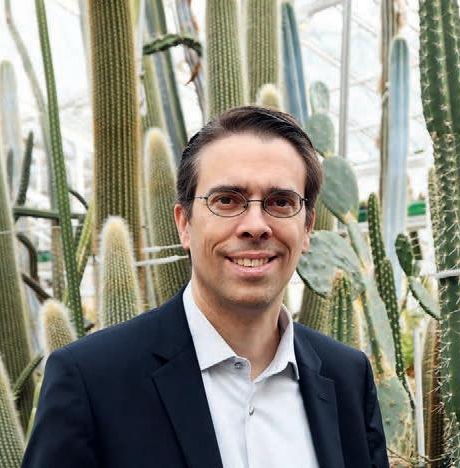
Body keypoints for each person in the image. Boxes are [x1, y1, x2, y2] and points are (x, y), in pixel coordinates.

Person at [22, 106, 388, 468]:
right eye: (227, 200)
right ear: (184, 223)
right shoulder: (92, 381)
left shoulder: (347, 378)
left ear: (307, 228)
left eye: (280, 202)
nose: (255, 225)